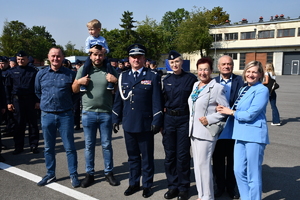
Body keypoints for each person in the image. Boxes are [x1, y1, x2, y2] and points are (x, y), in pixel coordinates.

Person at [112, 43, 163, 198]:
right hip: (128, 123)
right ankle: (134, 183)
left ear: (144, 59)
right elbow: (118, 101)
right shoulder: (123, 76)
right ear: (129, 59)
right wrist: (115, 118)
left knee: (147, 157)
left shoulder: (152, 76)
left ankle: (147, 184)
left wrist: (157, 120)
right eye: (133, 57)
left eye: (139, 57)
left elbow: (157, 102)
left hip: (145, 124)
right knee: (133, 157)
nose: (136, 59)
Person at [217, 60, 269, 200]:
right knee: (238, 170)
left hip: (254, 135)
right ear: (245, 73)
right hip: (239, 134)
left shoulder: (262, 90)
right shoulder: (243, 89)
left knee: (253, 173)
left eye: (254, 72)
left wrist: (231, 112)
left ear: (260, 74)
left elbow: (251, 114)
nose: (251, 74)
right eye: (249, 71)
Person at [72, 44, 119, 188]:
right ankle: (89, 174)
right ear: (90, 55)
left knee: (106, 145)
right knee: (89, 146)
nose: (98, 57)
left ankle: (108, 173)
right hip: (88, 113)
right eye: (95, 54)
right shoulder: (84, 69)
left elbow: (119, 91)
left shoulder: (110, 70)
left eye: (100, 55)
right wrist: (79, 82)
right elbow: (74, 89)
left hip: (106, 113)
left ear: (104, 55)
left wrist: (115, 81)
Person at [35, 47, 80, 188]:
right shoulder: (41, 74)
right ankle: (50, 174)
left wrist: (66, 104)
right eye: (53, 56)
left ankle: (73, 175)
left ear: (63, 57)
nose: (55, 59)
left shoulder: (71, 74)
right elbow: (37, 92)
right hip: (47, 115)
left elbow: (76, 94)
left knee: (70, 147)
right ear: (48, 57)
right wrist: (46, 103)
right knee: (48, 147)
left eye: (58, 56)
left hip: (65, 115)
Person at [188, 57, 229, 200]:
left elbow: (225, 110)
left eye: (206, 69)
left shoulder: (217, 88)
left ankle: (208, 197)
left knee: (204, 166)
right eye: (200, 69)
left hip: (206, 132)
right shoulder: (195, 85)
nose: (203, 72)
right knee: (197, 165)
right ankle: (201, 194)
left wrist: (209, 119)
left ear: (211, 71)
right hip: (193, 131)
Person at [162, 50, 197, 200]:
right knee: (170, 155)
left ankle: (183, 188)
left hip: (184, 119)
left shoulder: (191, 79)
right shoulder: (166, 80)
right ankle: (172, 186)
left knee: (182, 156)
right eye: (172, 63)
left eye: (177, 61)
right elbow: (162, 101)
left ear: (182, 62)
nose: (174, 64)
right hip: (169, 119)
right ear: (168, 64)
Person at [212, 55, 244, 199]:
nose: (226, 66)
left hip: (234, 128)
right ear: (218, 67)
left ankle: (231, 188)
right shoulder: (212, 82)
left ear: (232, 66)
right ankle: (219, 186)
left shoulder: (240, 81)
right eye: (223, 64)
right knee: (218, 160)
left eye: (229, 64)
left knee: (233, 160)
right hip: (217, 129)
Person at [5, 51, 40, 155]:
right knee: (19, 124)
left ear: (27, 59)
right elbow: (8, 88)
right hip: (17, 100)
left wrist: (38, 101)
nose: (20, 61)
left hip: (30, 100)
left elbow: (37, 88)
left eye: (23, 59)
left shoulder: (33, 71)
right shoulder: (11, 72)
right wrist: (8, 102)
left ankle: (33, 145)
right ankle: (18, 147)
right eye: (18, 59)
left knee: (33, 124)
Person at [80, 19, 114, 92]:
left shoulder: (103, 39)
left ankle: (110, 83)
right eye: (89, 30)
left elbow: (108, 49)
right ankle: (83, 84)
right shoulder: (89, 39)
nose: (90, 31)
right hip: (92, 57)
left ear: (98, 30)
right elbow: (86, 49)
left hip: (102, 56)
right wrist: (91, 50)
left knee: (108, 65)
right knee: (86, 66)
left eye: (92, 29)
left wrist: (105, 50)